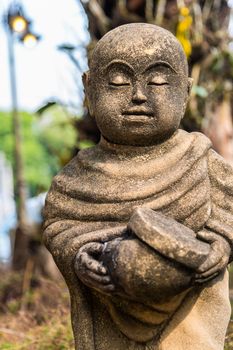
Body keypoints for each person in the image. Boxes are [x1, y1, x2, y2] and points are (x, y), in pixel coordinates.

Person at [43, 23, 233, 350]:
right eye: (118, 81)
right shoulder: (76, 177)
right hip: (108, 309)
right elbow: (60, 227)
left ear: (186, 91)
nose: (139, 96)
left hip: (190, 308)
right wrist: (80, 256)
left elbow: (228, 213)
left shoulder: (200, 160)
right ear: (89, 89)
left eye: (158, 81)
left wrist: (220, 246)